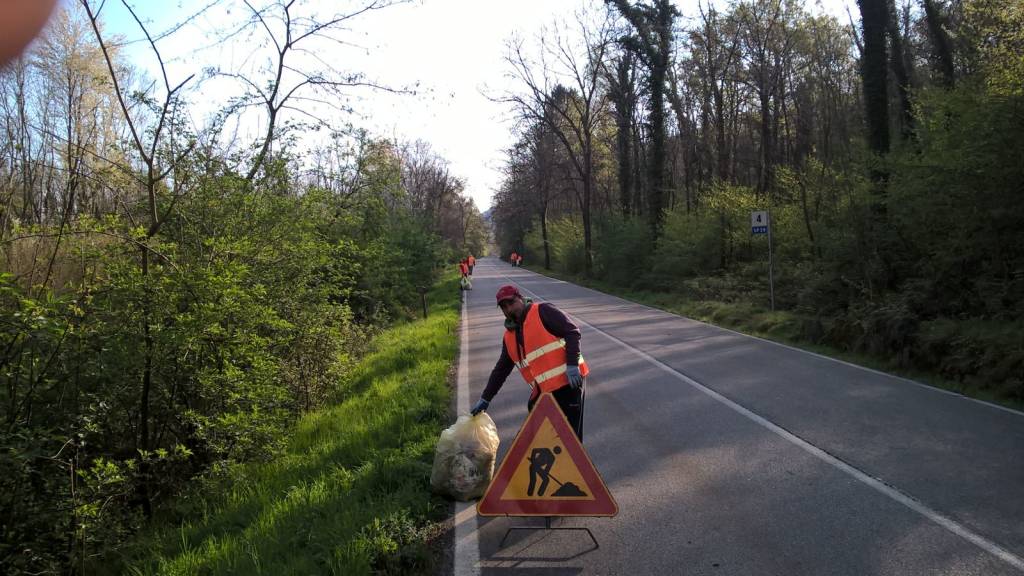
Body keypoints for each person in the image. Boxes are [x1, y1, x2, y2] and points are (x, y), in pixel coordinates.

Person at [471, 285, 589, 440]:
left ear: (520, 298)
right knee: (544, 438)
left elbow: (572, 332)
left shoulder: (542, 311)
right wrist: (485, 398)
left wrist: (572, 364)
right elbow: (501, 370)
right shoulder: (510, 337)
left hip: (570, 384)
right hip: (545, 393)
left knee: (571, 439)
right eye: (504, 307)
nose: (509, 310)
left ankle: (576, 464)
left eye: (511, 303)